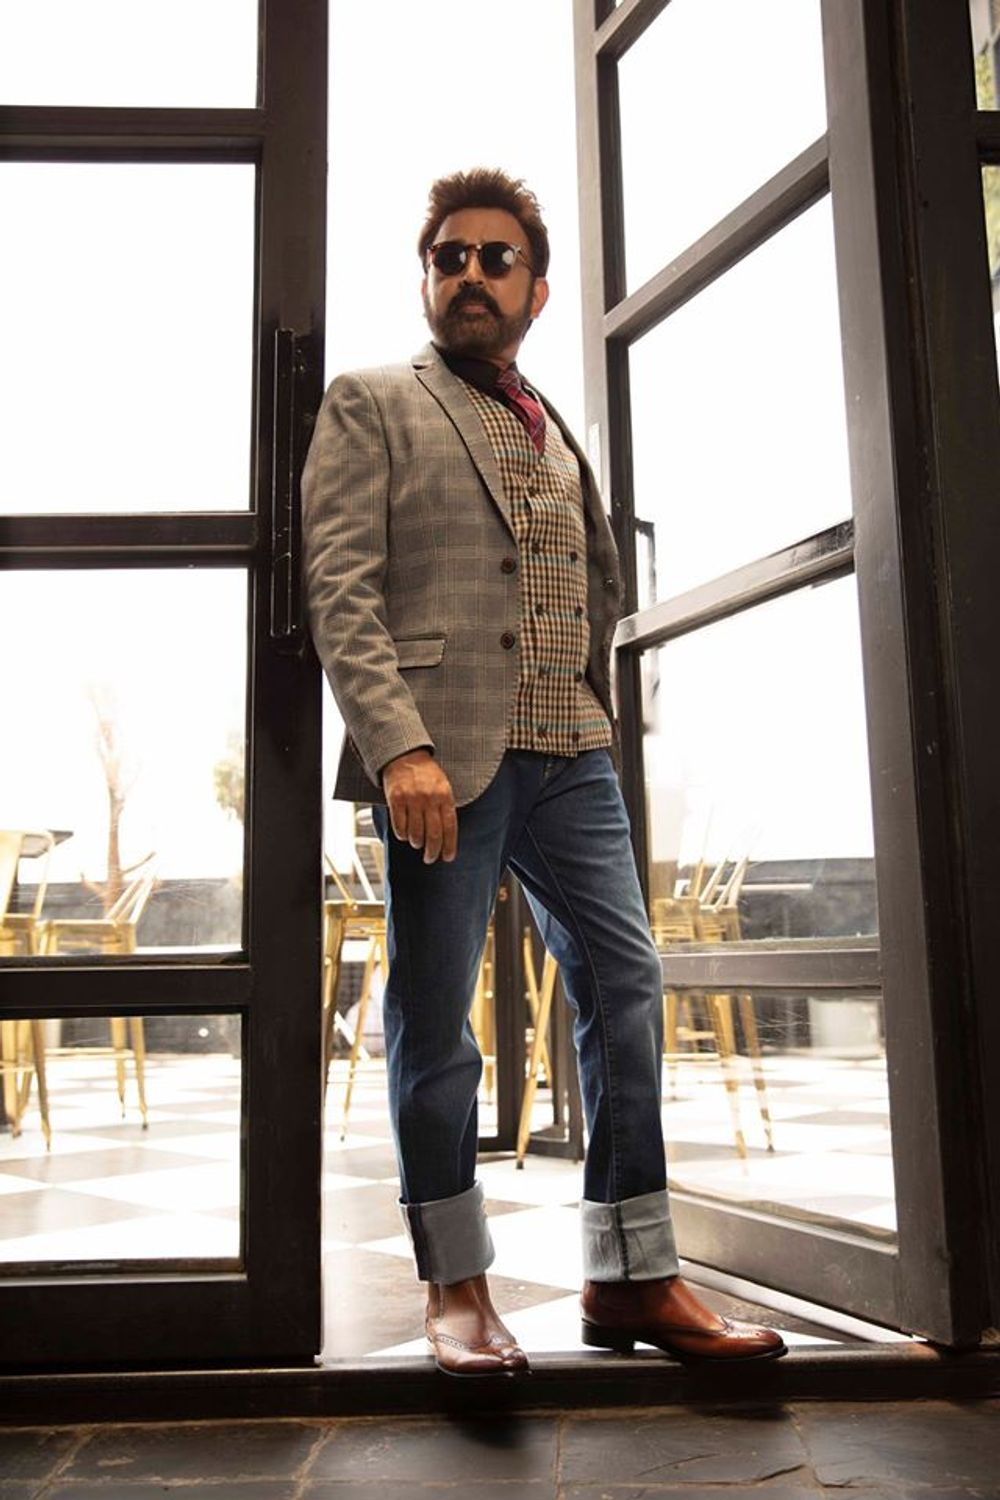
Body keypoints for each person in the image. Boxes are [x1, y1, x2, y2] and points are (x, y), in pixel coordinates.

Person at [302, 168, 785, 1378]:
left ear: (537, 288)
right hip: (443, 757)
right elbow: (340, 588)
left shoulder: (551, 424)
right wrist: (396, 743)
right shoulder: (372, 401)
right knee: (436, 1017)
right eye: (449, 257)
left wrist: (599, 716)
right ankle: (455, 1287)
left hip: (572, 750)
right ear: (426, 278)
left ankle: (631, 1275)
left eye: (495, 257)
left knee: (626, 987)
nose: (471, 273)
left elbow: (590, 586)